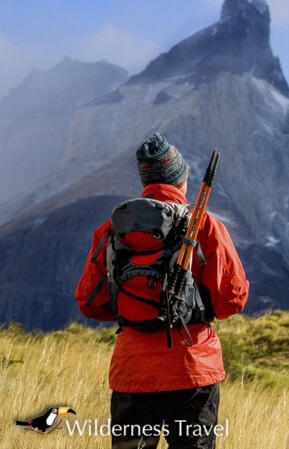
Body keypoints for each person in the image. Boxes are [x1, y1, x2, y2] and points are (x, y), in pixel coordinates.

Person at [75, 133, 249, 449]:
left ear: (145, 181)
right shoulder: (204, 225)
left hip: (133, 372)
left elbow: (89, 302)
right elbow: (231, 300)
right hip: (193, 370)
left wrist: (137, 311)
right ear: (180, 180)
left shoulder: (111, 231)